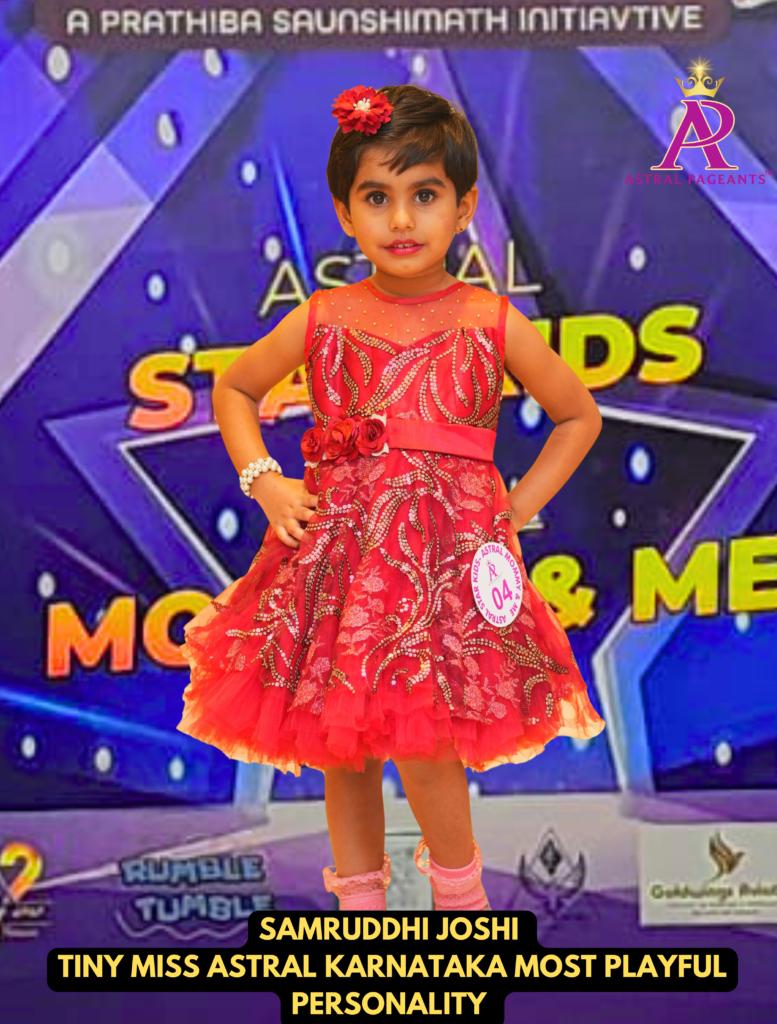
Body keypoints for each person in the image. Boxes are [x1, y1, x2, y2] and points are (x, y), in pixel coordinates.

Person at [176, 83, 606, 913]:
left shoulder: (488, 320)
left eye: (424, 195)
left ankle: (460, 904)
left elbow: (576, 415)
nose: (401, 219)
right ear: (345, 212)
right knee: (343, 747)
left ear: (463, 207)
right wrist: (264, 481)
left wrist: (515, 509)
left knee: (426, 738)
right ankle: (360, 914)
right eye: (376, 198)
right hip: (340, 564)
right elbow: (234, 388)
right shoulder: (324, 316)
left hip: (442, 574)